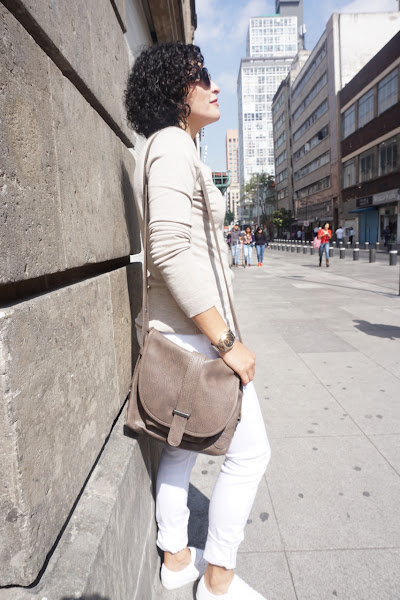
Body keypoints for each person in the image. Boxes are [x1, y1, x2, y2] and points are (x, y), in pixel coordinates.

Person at [125, 42, 270, 600]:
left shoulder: (176, 146)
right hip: (197, 340)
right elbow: (168, 248)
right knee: (251, 452)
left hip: (184, 336)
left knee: (180, 450)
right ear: (173, 91)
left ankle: (177, 558)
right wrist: (227, 341)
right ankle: (218, 579)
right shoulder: (171, 145)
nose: (214, 86)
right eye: (201, 77)